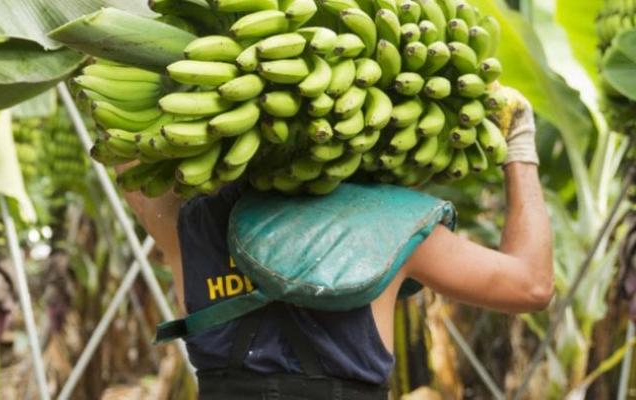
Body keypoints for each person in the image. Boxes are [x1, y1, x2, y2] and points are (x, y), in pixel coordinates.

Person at [117, 87, 553, 399]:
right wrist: (518, 145)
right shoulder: (391, 222)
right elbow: (531, 285)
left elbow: (124, 147)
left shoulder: (191, 223)